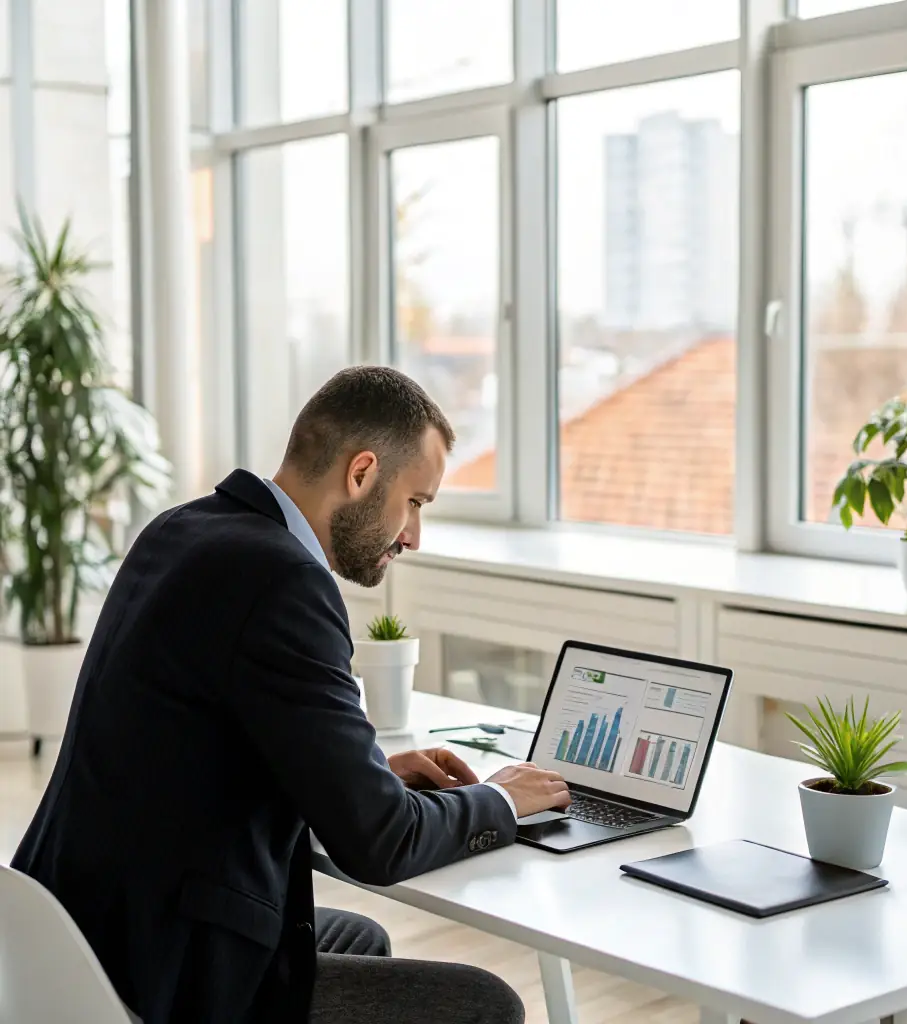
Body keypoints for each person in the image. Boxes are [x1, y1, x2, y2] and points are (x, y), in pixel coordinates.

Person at [12, 366, 571, 1024]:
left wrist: (361, 778)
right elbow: (381, 843)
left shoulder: (183, 529)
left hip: (60, 936)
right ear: (362, 473)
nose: (414, 536)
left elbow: (194, 745)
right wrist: (502, 799)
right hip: (156, 979)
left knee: (359, 938)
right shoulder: (284, 580)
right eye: (416, 502)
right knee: (487, 1005)